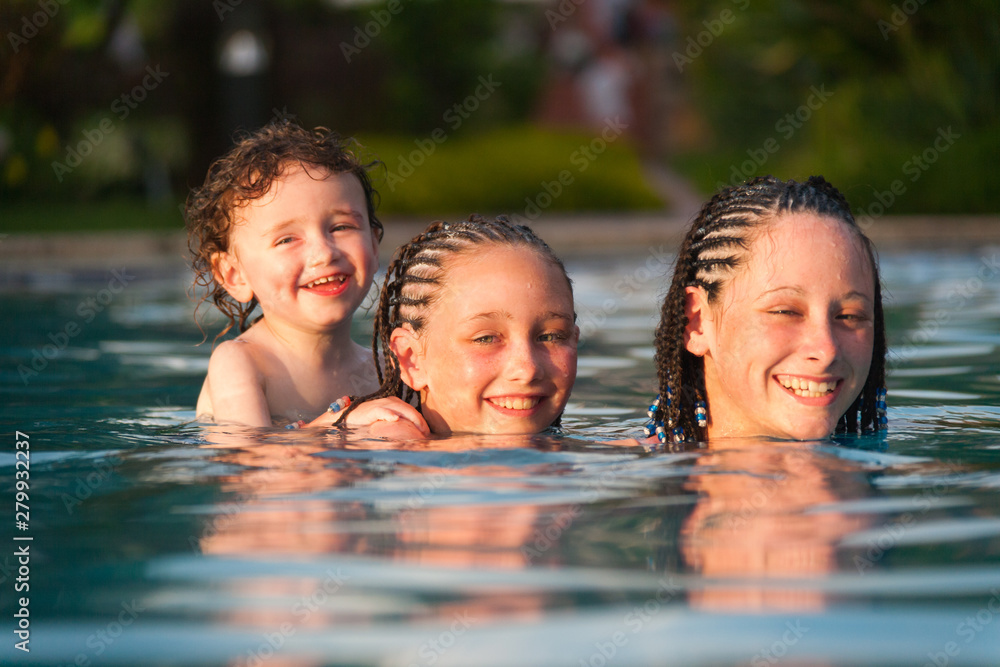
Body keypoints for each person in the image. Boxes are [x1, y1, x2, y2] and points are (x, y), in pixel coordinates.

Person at [186, 121, 423, 431]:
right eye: (287, 239)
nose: (324, 253)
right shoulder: (242, 363)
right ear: (234, 275)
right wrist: (339, 422)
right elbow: (249, 459)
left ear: (374, 245)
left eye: (342, 227)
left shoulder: (386, 368)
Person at [642, 175, 887, 445]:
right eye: (786, 312)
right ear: (697, 322)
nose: (826, 350)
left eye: (850, 316)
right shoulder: (614, 470)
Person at [334, 214, 579, 438]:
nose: (527, 369)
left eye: (550, 336)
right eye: (486, 338)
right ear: (412, 360)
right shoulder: (387, 445)